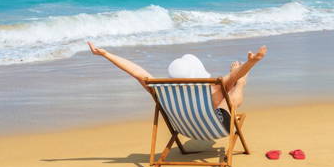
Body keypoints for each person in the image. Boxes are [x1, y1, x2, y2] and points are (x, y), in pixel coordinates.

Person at [87, 41, 267, 128]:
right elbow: (235, 74)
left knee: (231, 83)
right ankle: (241, 85)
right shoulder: (213, 88)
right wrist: (251, 63)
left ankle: (238, 82)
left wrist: (106, 54)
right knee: (234, 89)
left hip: (184, 128)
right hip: (214, 127)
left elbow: (135, 71)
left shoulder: (159, 90)